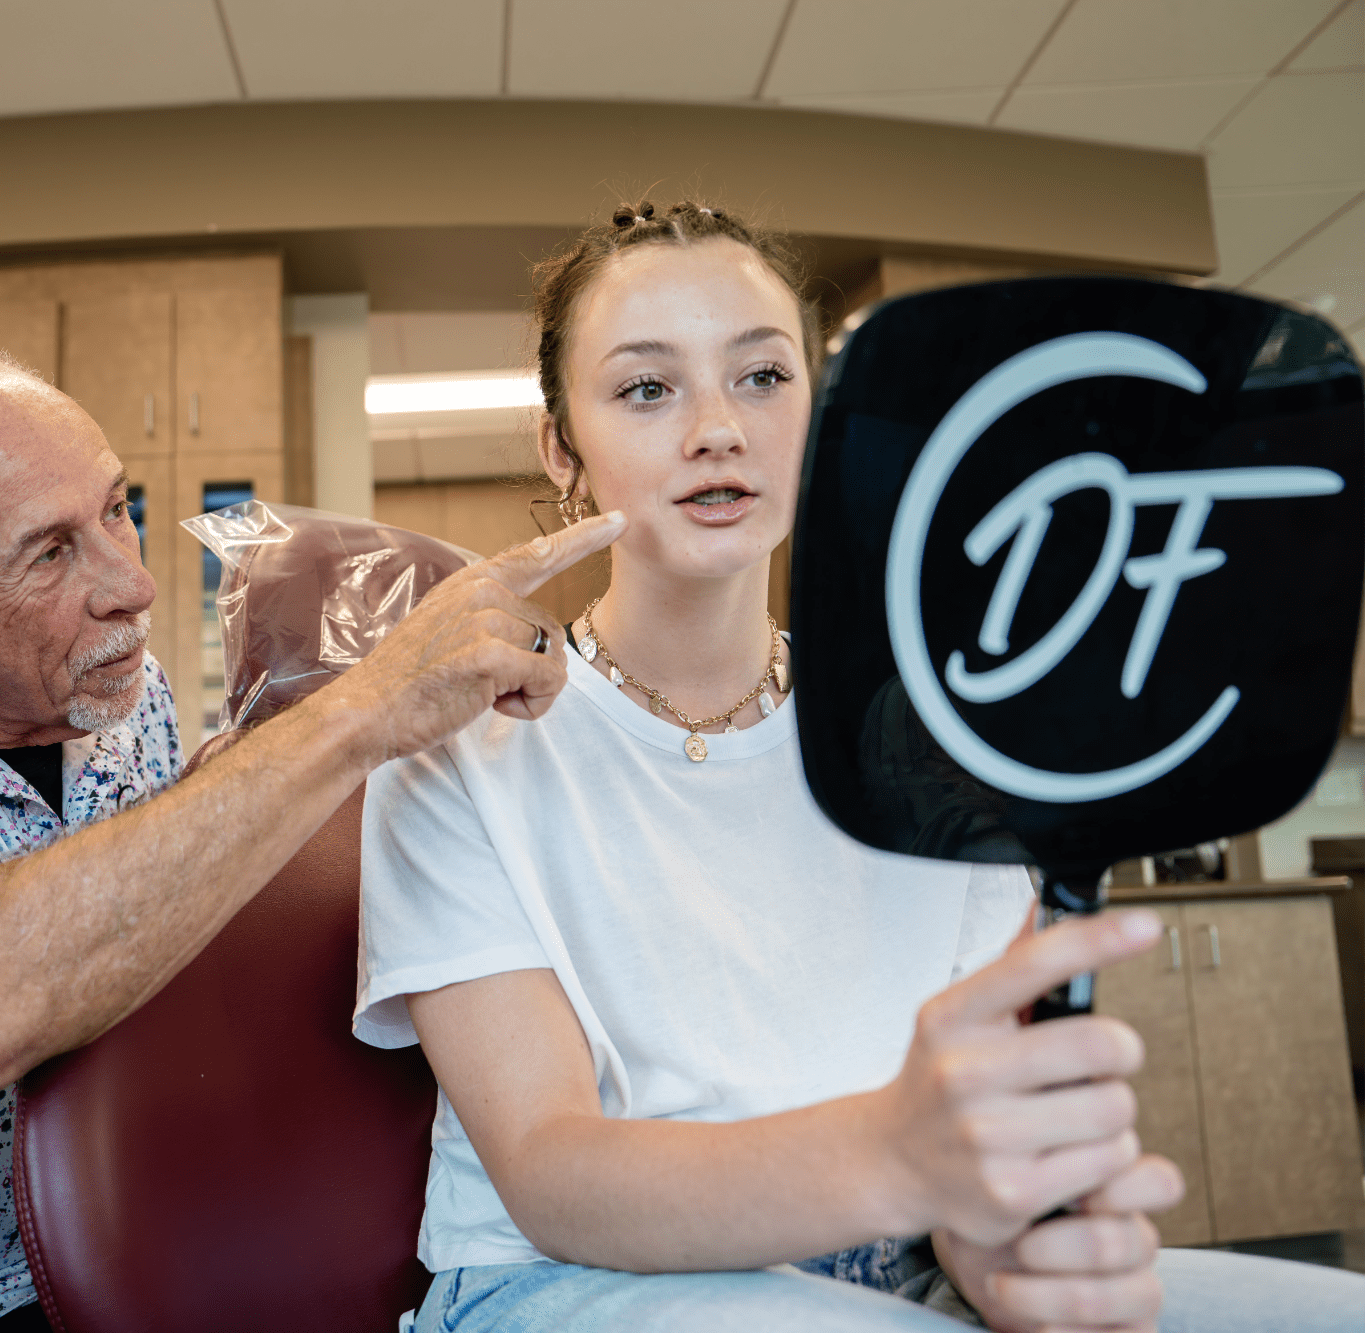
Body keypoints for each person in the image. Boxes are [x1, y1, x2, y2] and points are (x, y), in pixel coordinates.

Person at [354, 201, 1365, 1332]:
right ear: (562, 449)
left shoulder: (936, 752)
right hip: (572, 1286)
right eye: (646, 388)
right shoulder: (458, 755)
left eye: (762, 377)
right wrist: (895, 1157)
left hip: (897, 1276)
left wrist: (1007, 1261)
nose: (714, 430)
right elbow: (549, 1174)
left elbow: (970, 1177)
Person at [0, 344, 625, 1332]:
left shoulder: (122, 698)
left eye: (115, 509)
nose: (131, 583)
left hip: (87, 1266)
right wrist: (362, 710)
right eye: (49, 552)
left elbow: (138, 913)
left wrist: (244, 789)